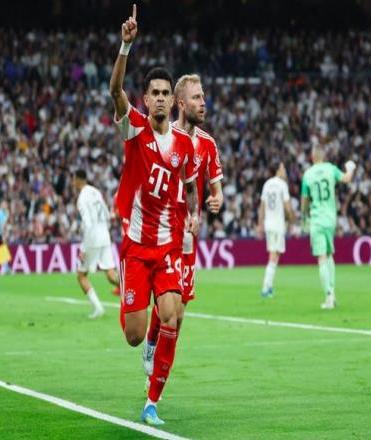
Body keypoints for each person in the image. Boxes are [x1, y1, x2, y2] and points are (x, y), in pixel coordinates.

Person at [109, 4, 200, 426]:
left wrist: (193, 214)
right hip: (136, 248)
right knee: (132, 335)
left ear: (172, 100)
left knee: (173, 316)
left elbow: (188, 184)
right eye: (155, 93)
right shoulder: (135, 128)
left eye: (166, 92)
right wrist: (125, 46)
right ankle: (143, 338)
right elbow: (115, 90)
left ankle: (152, 402)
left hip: (167, 248)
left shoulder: (184, 145)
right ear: (146, 99)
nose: (161, 97)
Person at [142, 74, 224, 386]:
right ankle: (152, 348)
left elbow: (216, 189)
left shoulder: (207, 144)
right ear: (180, 103)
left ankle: (157, 357)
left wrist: (216, 200)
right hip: (163, 234)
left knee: (179, 313)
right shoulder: (163, 135)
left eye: (203, 97)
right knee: (169, 308)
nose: (203, 103)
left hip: (189, 237)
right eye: (196, 98)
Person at [301, 143, 356, 309]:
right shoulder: (331, 169)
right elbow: (347, 179)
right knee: (329, 254)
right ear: (323, 156)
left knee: (322, 258)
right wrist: (350, 167)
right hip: (331, 219)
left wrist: (304, 217)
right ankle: (332, 293)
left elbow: (305, 200)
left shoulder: (307, 175)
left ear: (312, 157)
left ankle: (329, 297)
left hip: (317, 219)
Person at [74, 169, 119, 319]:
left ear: (78, 180)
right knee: (111, 275)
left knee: (81, 275)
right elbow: (106, 214)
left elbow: (87, 224)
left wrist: (83, 248)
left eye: (74, 179)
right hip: (104, 235)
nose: (73, 183)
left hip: (92, 238)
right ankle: (135, 292)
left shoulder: (81, 198)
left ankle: (98, 308)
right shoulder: (95, 191)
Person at [257, 162, 294, 298]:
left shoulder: (267, 184)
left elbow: (262, 206)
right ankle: (266, 288)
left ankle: (269, 286)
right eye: (283, 168)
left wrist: (260, 224)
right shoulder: (282, 185)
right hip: (278, 225)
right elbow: (288, 207)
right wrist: (292, 220)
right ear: (278, 170)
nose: (284, 170)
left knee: (275, 255)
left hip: (269, 224)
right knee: (273, 256)